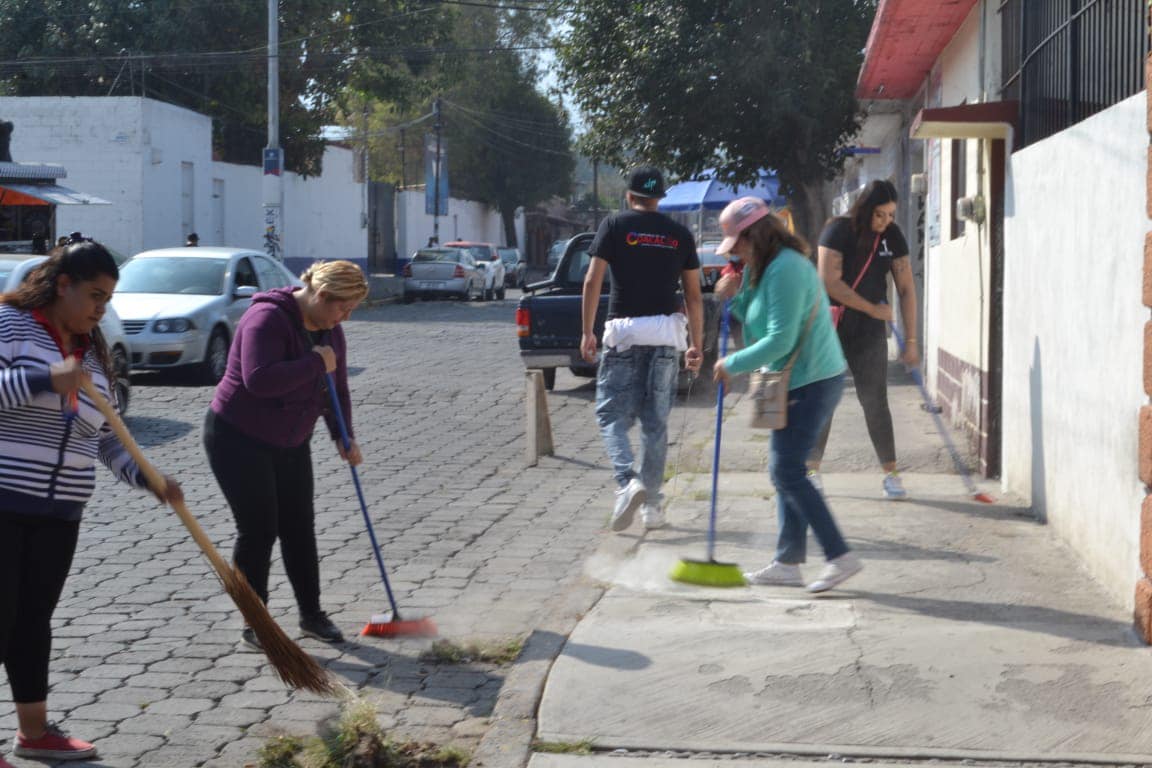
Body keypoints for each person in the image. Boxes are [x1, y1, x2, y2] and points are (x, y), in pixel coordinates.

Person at [0, 237, 183, 764]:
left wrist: (147, 477)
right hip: (4, 503)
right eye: (95, 296)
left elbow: (105, 436)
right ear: (63, 285)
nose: (101, 309)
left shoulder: (90, 351)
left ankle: (33, 734)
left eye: (108, 300)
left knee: (34, 621)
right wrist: (44, 378)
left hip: (60, 512)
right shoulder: (10, 326)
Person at [203, 260, 369, 650]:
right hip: (237, 437)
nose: (344, 317)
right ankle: (255, 621)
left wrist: (343, 436)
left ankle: (311, 615)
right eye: (342, 307)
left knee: (299, 526)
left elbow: (337, 387)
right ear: (320, 295)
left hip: (292, 439)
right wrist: (314, 362)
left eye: (351, 311)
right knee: (259, 529)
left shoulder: (331, 330)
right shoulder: (266, 319)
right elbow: (259, 380)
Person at [712, 197, 860, 593]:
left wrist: (731, 363)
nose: (736, 253)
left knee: (788, 471)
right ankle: (788, 562)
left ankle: (839, 555)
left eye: (737, 244)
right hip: (792, 380)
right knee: (785, 471)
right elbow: (758, 318)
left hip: (811, 381)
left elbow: (780, 339)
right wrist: (736, 294)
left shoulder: (787, 269)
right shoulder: (766, 267)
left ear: (754, 234)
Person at [580, 166, 703, 532]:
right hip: (666, 337)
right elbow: (694, 296)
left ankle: (626, 481)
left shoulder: (615, 225)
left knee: (609, 416)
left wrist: (587, 331)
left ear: (630, 196)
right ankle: (652, 507)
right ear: (659, 197)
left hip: (624, 334)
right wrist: (696, 344)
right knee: (655, 423)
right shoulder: (680, 234)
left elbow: (592, 280)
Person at [810, 179, 919, 499]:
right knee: (824, 399)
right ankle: (811, 471)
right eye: (880, 215)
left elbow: (907, 288)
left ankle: (891, 475)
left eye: (891, 215)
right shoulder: (837, 231)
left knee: (875, 401)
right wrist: (873, 307)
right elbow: (829, 282)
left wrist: (910, 342)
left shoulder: (893, 236)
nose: (886, 222)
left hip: (869, 333)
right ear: (865, 208)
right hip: (831, 325)